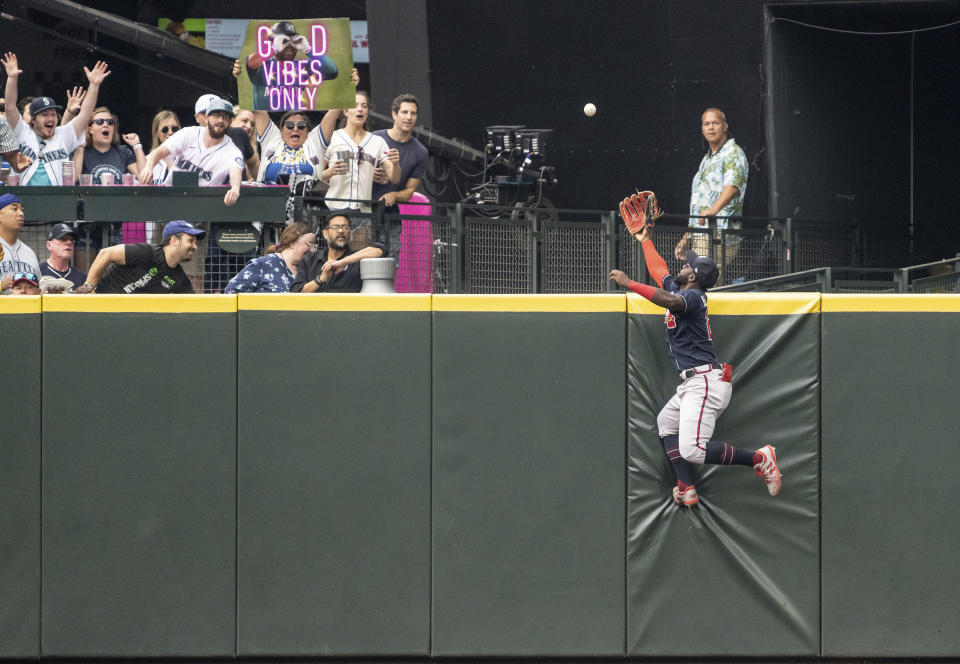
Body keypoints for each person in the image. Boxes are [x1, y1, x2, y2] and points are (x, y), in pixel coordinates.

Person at [609, 223, 780, 507]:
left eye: (689, 265)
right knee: (666, 424)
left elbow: (669, 299)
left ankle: (760, 459)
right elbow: (660, 271)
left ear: (692, 275)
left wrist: (629, 284)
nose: (684, 265)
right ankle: (686, 485)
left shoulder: (692, 297)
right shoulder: (682, 289)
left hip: (704, 383)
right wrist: (645, 240)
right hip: (695, 383)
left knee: (693, 450)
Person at [2, 53, 110, 186]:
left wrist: (94, 85)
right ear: (34, 119)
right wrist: (12, 78)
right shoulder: (21, 130)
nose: (51, 118)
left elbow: (85, 113)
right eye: (45, 114)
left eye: (53, 114)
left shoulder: (63, 134)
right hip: (23, 200)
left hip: (56, 200)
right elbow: (10, 105)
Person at [675, 107, 749, 267]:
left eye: (715, 123)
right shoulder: (707, 159)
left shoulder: (733, 153)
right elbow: (699, 203)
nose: (710, 127)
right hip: (701, 235)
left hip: (720, 235)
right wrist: (687, 236)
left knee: (704, 283)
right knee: (698, 284)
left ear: (725, 126)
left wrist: (712, 211)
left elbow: (732, 187)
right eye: (706, 123)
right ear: (702, 129)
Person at [138, 97, 243, 206]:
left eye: (225, 117)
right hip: (169, 200)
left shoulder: (232, 150)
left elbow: (236, 170)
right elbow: (159, 152)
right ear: (207, 117)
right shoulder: (189, 133)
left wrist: (235, 188)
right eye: (216, 115)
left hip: (201, 209)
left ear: (230, 122)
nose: (220, 120)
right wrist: (148, 167)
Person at [74, 220, 204, 294]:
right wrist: (89, 288)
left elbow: (193, 306)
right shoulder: (147, 252)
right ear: (174, 240)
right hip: (102, 305)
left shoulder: (179, 279)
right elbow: (105, 253)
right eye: (191, 240)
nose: (195, 246)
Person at [322, 91, 399, 212]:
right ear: (345, 111)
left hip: (363, 212)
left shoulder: (377, 141)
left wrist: (395, 164)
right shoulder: (332, 138)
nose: (360, 109)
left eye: (364, 106)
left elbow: (395, 178)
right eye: (355, 105)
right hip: (334, 209)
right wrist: (331, 172)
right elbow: (314, 175)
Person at [244, 21, 340, 111]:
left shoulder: (303, 67)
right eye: (284, 41)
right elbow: (250, 63)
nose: (289, 45)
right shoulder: (263, 64)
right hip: (265, 121)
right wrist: (272, 48)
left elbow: (332, 71)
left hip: (291, 120)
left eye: (292, 40)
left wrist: (308, 50)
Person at [290, 213, 385, 293]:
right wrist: (320, 279)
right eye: (336, 227)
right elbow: (296, 293)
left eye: (345, 227)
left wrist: (342, 262)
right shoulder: (310, 259)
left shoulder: (356, 260)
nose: (341, 230)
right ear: (325, 234)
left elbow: (380, 249)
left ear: (350, 232)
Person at [371, 93, 428, 210]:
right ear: (394, 114)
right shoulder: (373, 138)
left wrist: (393, 195)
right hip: (362, 206)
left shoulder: (420, 152)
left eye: (413, 113)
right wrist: (367, 173)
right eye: (404, 112)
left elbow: (409, 192)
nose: (409, 117)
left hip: (390, 213)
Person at [224, 223, 316, 293]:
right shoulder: (264, 264)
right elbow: (231, 291)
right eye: (309, 244)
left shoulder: (307, 270)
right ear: (292, 242)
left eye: (314, 246)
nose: (312, 250)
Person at [72, 106, 146, 184]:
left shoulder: (123, 152)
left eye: (110, 122)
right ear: (90, 129)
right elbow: (73, 179)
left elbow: (144, 177)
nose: (105, 125)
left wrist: (137, 146)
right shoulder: (82, 152)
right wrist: (80, 147)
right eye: (100, 121)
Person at [193, 94, 258, 180]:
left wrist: (263, 185)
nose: (218, 119)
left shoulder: (238, 134)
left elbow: (254, 163)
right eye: (207, 112)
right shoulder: (189, 137)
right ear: (197, 117)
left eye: (220, 113)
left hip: (237, 191)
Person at [0, 193, 40, 292]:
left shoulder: (29, 253)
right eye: (14, 209)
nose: (21, 213)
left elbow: (39, 288)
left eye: (21, 210)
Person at [40, 223, 86, 289]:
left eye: (72, 240)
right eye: (63, 239)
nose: (69, 242)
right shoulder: (37, 273)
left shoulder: (81, 278)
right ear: (49, 245)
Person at [147, 109, 181, 185]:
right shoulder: (147, 161)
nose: (170, 132)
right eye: (165, 129)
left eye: (174, 128)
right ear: (157, 133)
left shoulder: (189, 158)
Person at [230, 106, 260, 179]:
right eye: (244, 121)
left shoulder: (256, 148)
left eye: (252, 124)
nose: (249, 126)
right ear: (231, 120)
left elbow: (261, 176)